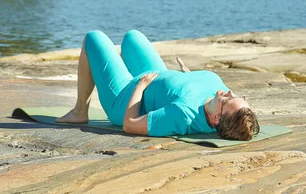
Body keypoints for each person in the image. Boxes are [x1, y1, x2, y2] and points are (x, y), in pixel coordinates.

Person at [56, 29, 260, 141]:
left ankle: (80, 111)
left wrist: (139, 87)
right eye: (237, 96)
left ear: (216, 118)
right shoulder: (217, 99)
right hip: (155, 77)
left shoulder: (182, 115)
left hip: (125, 97)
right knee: (133, 37)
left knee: (94, 38)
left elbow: (130, 124)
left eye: (228, 100)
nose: (230, 93)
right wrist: (188, 76)